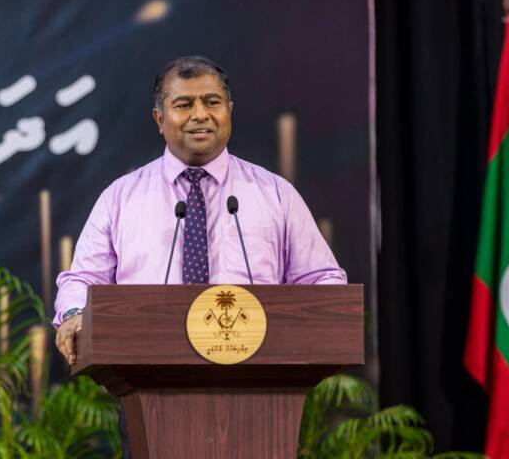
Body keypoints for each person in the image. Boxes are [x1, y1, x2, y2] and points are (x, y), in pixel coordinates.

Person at [52, 55, 346, 456]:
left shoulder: (275, 193)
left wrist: (324, 313)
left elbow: (323, 279)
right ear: (159, 118)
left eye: (212, 102)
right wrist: (74, 314)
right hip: (150, 397)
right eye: (184, 104)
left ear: (229, 111)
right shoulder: (120, 197)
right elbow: (82, 279)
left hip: (261, 399)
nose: (200, 115)